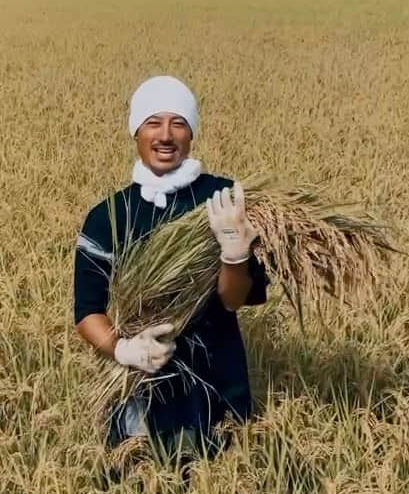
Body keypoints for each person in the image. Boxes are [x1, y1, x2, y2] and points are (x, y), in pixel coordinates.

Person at [74, 75, 267, 456]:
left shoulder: (225, 199)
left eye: (178, 123)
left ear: (191, 133)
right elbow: (87, 312)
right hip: (140, 388)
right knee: (139, 489)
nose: (166, 135)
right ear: (136, 131)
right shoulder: (109, 217)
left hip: (217, 382)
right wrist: (123, 349)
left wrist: (234, 253)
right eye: (153, 123)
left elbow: (233, 300)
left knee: (223, 490)